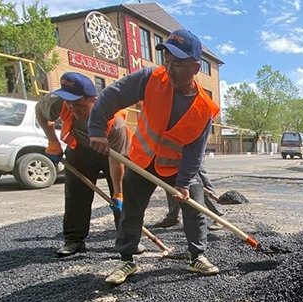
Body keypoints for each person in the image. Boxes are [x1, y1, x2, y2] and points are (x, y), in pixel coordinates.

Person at [88, 29, 221, 285]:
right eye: (167, 61)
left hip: (177, 168)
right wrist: (96, 130)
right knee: (132, 210)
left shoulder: (205, 108)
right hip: (140, 161)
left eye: (179, 64)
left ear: (195, 67)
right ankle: (127, 259)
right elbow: (112, 95)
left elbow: (195, 151)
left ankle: (197, 257)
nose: (170, 69)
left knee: (195, 208)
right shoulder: (150, 78)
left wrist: (183, 183)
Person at [36, 72, 131, 258]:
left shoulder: (114, 122)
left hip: (111, 153)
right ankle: (74, 240)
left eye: (78, 104)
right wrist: (53, 142)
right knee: (75, 195)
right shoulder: (58, 102)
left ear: (93, 100)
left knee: (124, 196)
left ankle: (128, 240)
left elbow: (117, 160)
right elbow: (40, 111)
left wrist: (118, 193)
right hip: (80, 149)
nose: (72, 109)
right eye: (69, 104)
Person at [154, 166, 225, 231]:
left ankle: (219, 217)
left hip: (191, 155)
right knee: (170, 182)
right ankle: (172, 217)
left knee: (200, 181)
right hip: (172, 155)